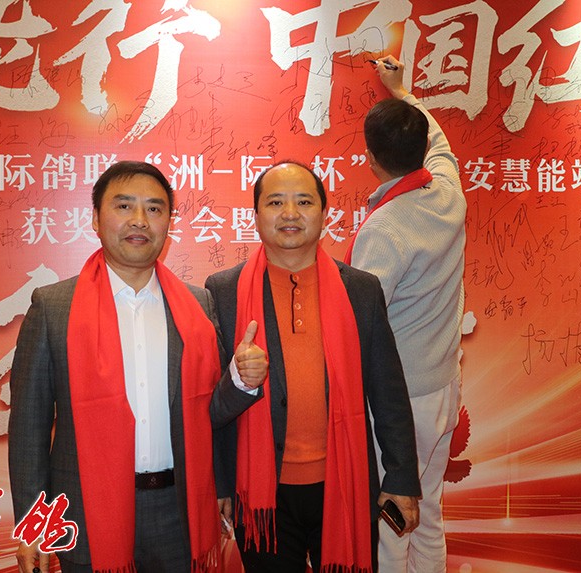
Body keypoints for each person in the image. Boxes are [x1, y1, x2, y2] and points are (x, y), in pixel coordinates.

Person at [9, 160, 258, 573]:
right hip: (85, 509)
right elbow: (28, 427)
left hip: (179, 508)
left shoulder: (197, 306)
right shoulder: (53, 307)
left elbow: (208, 413)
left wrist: (241, 385)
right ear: (95, 218)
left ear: (168, 224)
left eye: (154, 209)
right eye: (124, 206)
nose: (140, 220)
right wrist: (33, 521)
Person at [207, 161, 421, 573]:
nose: (290, 213)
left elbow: (388, 392)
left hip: (343, 482)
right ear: (256, 215)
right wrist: (219, 483)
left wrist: (400, 478)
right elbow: (212, 407)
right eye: (276, 202)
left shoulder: (360, 289)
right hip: (262, 494)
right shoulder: (224, 290)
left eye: (304, 202)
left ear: (324, 213)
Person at [344, 55, 466, 573]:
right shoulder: (448, 193)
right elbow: (441, 144)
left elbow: (359, 321)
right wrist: (403, 92)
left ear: (371, 159)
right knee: (429, 511)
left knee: (390, 519)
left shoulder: (385, 227)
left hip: (400, 399)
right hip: (442, 385)